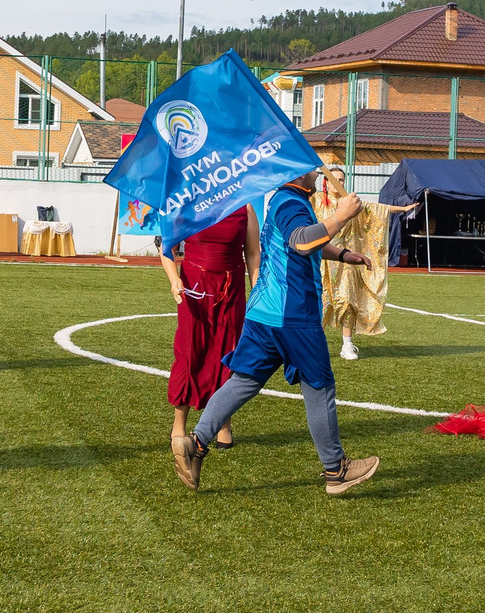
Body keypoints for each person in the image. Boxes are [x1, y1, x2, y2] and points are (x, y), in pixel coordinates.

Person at [172, 171, 381, 499]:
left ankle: (195, 444)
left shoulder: (286, 200)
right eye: (313, 170)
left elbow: (300, 241)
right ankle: (335, 470)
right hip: (292, 315)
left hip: (264, 313)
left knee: (242, 382)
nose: (318, 175)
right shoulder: (290, 202)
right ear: (298, 175)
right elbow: (300, 242)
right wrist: (340, 217)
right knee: (319, 388)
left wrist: (341, 254)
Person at [160, 204, 252, 446]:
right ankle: (178, 423)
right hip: (194, 287)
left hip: (231, 289)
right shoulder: (184, 205)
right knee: (189, 351)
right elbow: (167, 247)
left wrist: (258, 289)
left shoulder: (245, 206)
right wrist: (173, 279)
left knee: (228, 352)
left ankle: (223, 422)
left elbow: (253, 253)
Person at [314, 166, 414, 361]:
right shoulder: (316, 200)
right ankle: (315, 345)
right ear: (326, 181)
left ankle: (348, 345)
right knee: (320, 303)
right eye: (335, 180)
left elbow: (376, 209)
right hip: (320, 259)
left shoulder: (351, 203)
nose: (339, 184)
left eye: (342, 180)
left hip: (344, 260)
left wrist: (402, 209)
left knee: (348, 301)